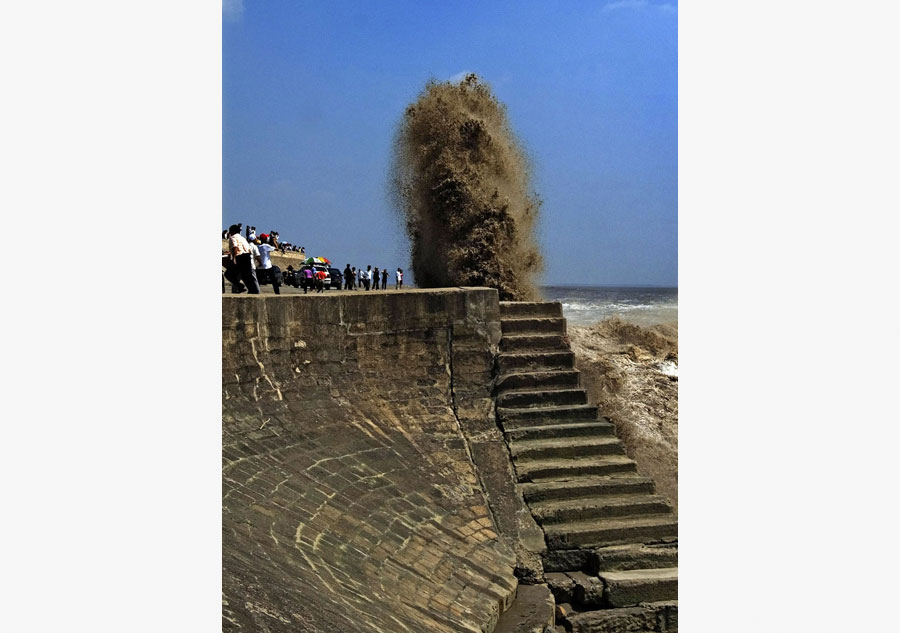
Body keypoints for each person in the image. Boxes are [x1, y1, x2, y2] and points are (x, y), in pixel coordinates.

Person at [227, 224, 259, 294]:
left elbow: (235, 247)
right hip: (247, 257)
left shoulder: (232, 237)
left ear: (232, 231)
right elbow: (249, 250)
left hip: (239, 257)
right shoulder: (243, 238)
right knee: (247, 276)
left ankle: (240, 286)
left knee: (228, 274)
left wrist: (234, 258)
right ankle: (253, 290)